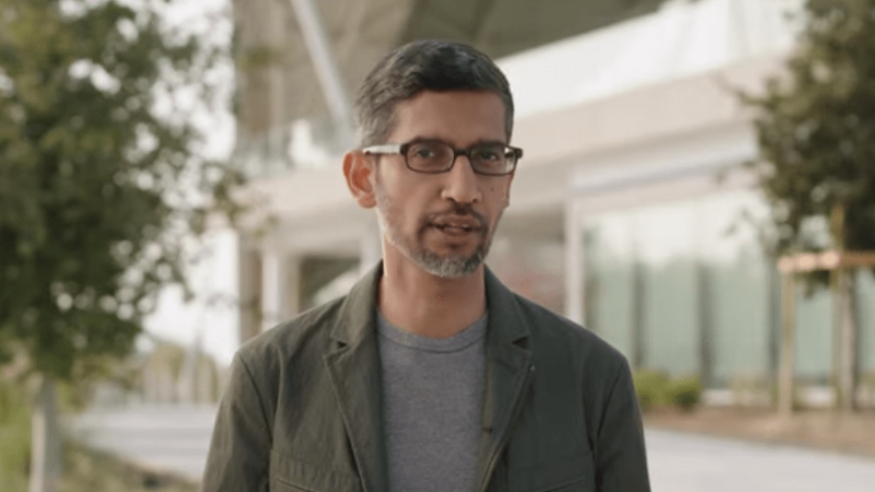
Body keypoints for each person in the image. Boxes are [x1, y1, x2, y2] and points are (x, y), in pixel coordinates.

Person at [202, 39, 650, 492]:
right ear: (363, 178)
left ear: (508, 180)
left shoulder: (592, 379)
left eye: (487, 156)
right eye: (427, 153)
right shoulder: (271, 378)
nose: (463, 189)